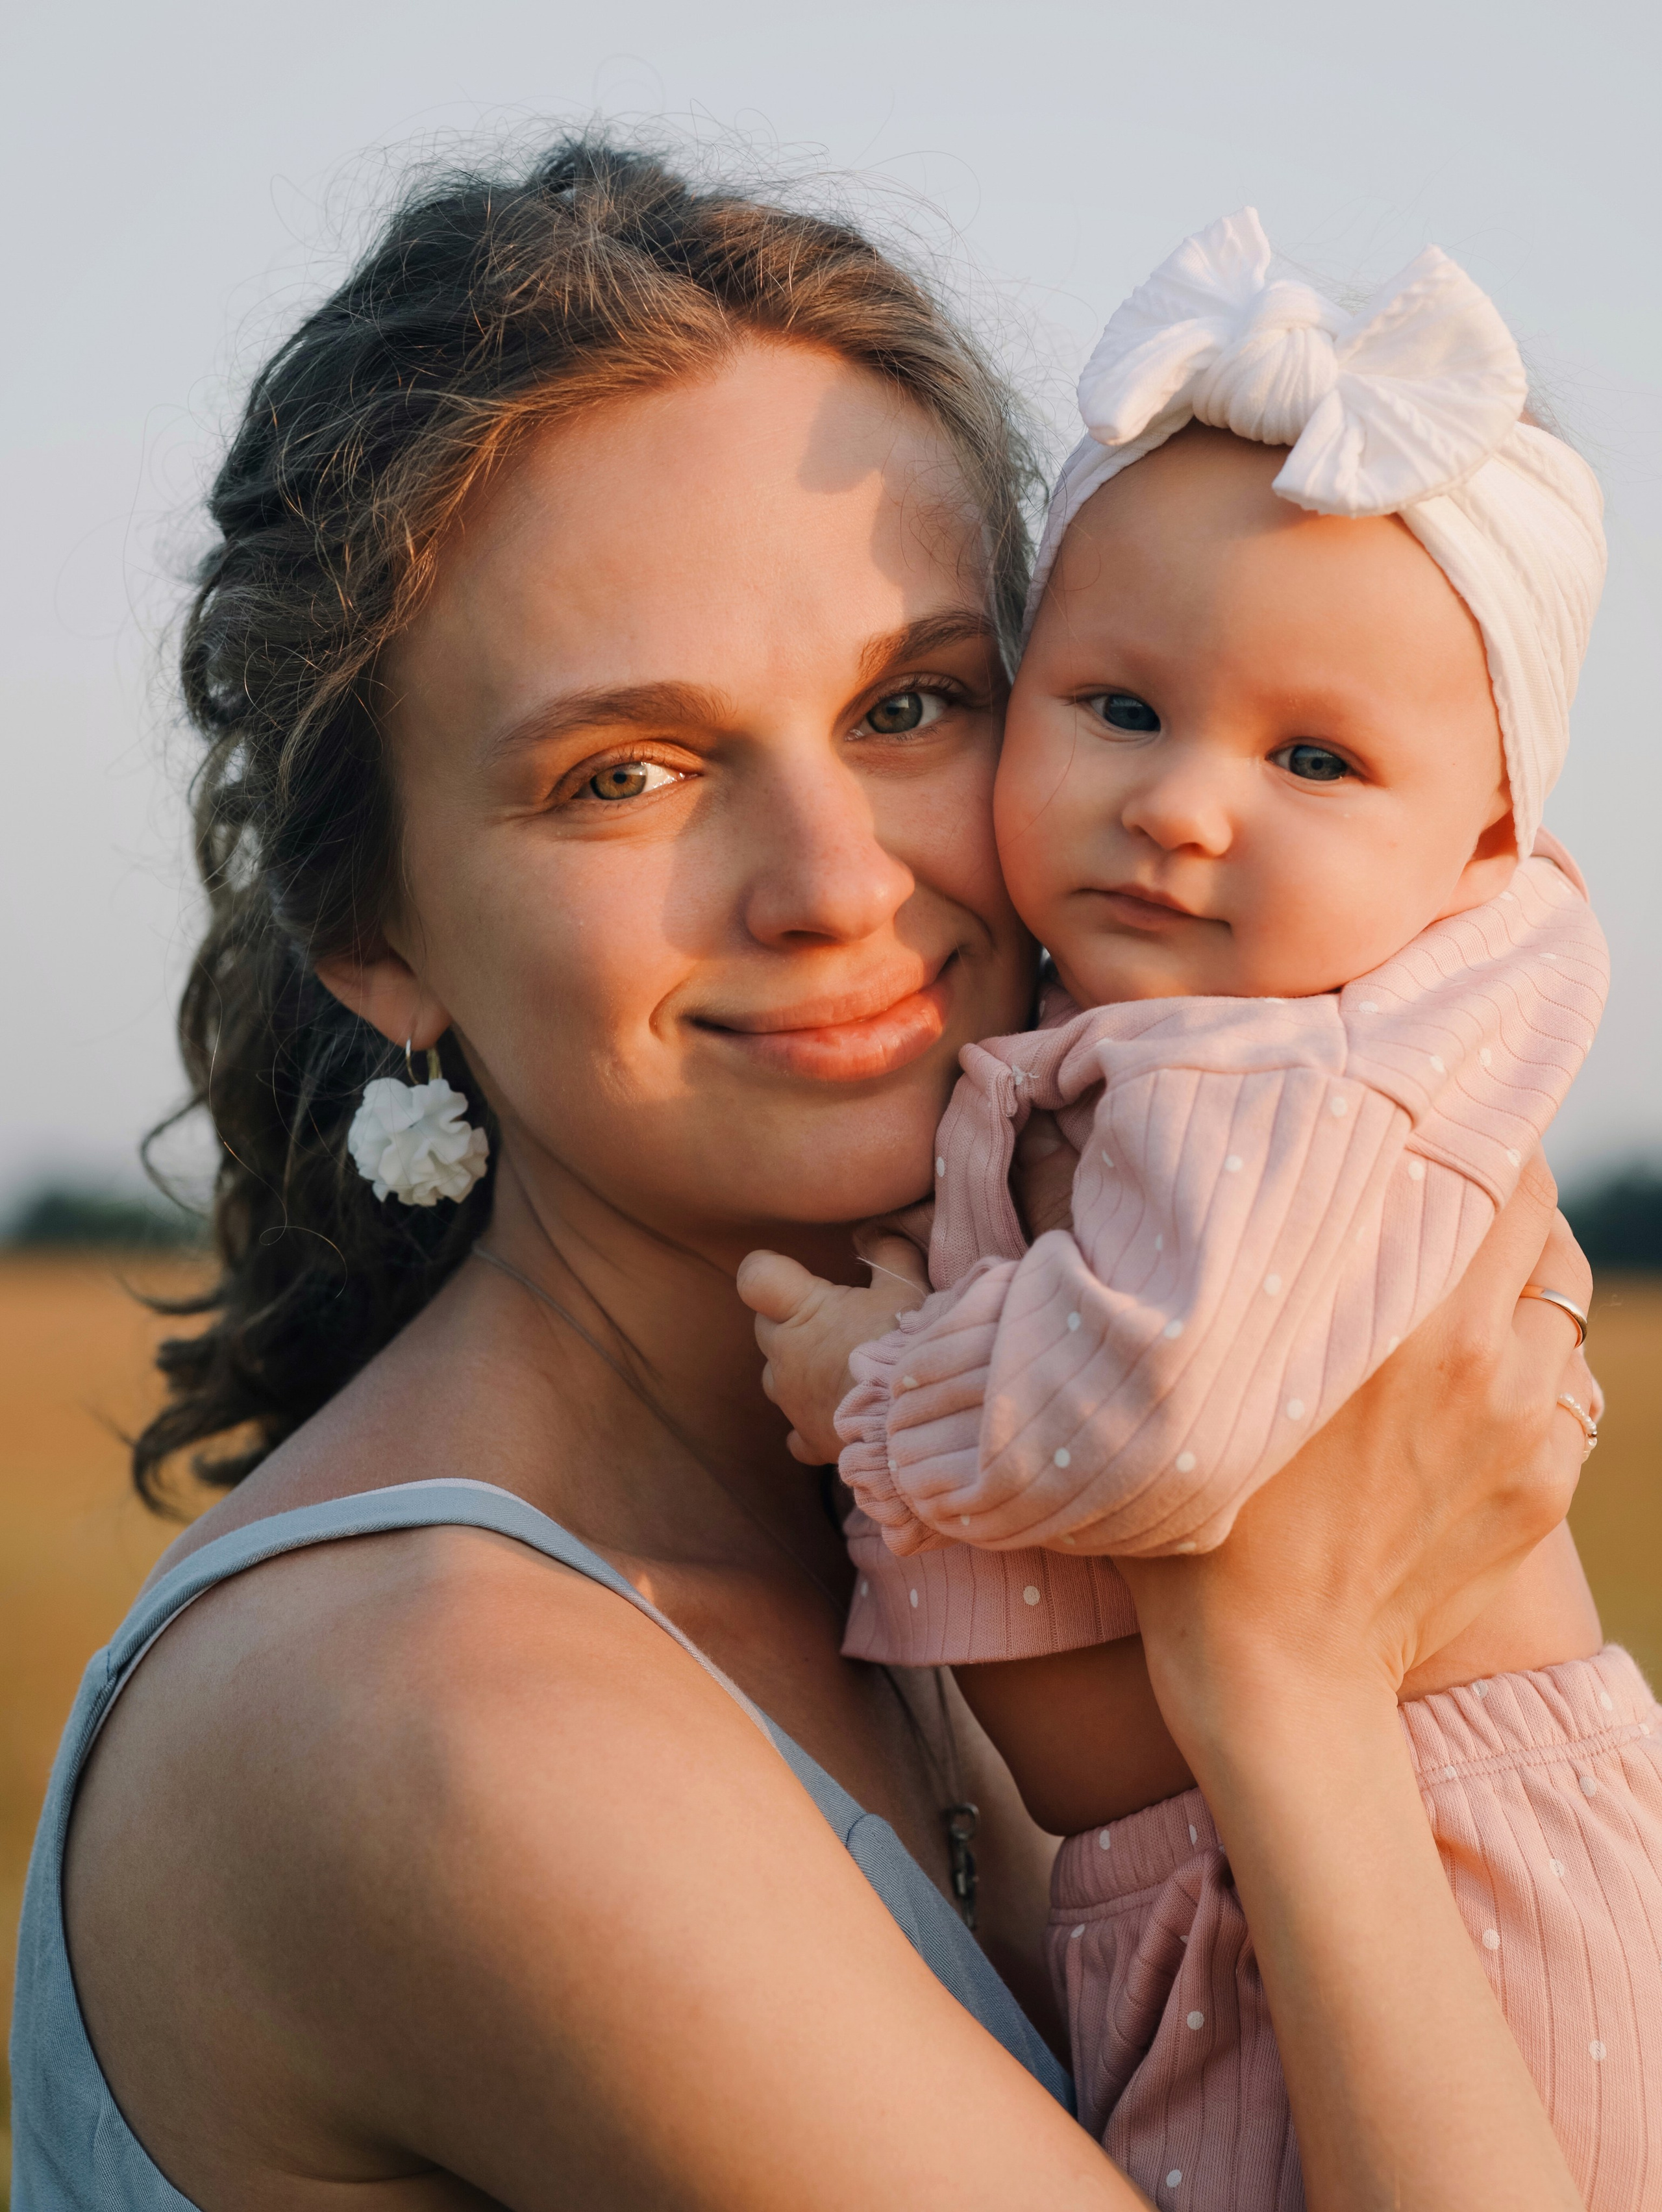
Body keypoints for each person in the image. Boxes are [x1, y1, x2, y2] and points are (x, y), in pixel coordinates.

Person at [8, 142, 1596, 2212]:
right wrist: (1286, 1689)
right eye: (628, 776)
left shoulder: (936, 1530)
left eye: (913, 702)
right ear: (372, 931)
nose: (842, 881)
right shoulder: (440, 1720)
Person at [742, 210, 1662, 2207]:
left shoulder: (1286, 1087)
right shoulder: (1159, 1051)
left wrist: (878, 1380)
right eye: (1120, 710)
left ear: (1484, 840)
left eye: (1315, 756)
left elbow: (1159, 1413)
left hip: (1431, 1877)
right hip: (1236, 1871)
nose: (1181, 805)